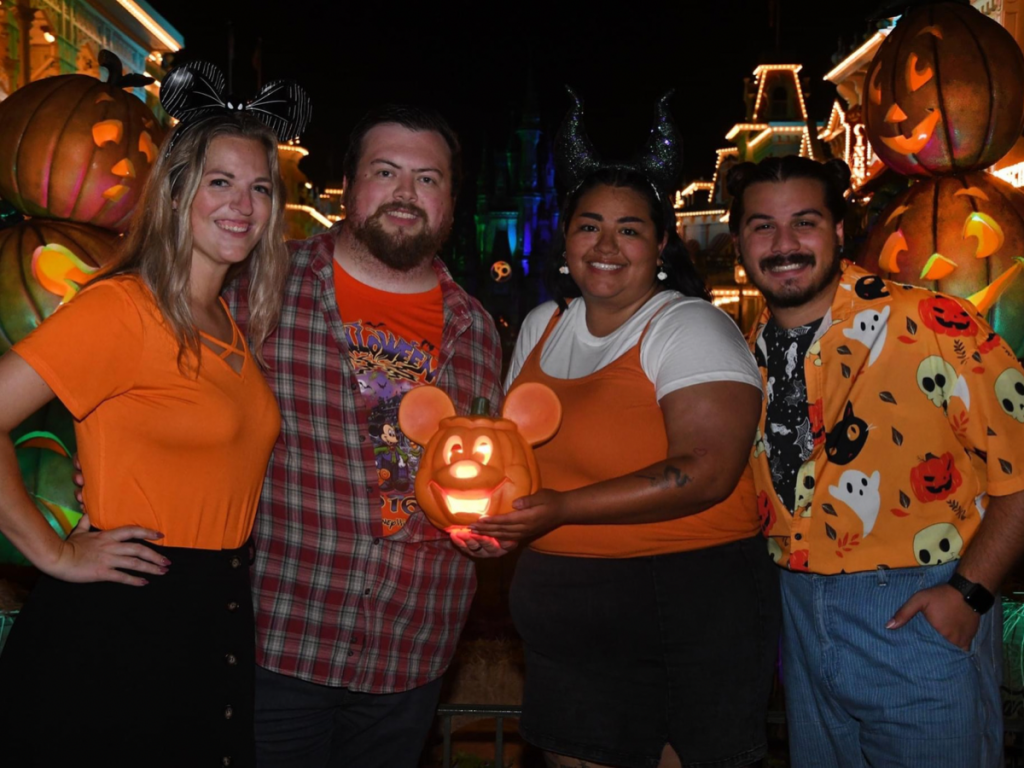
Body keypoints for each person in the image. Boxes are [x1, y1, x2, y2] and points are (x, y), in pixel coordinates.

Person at [0, 61, 308, 766]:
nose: (244, 204)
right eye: (220, 181)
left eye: (260, 187)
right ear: (175, 193)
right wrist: (51, 551)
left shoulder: (228, 323)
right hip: (122, 624)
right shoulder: (124, 309)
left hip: (213, 616)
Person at [471, 90, 779, 768]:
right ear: (566, 235)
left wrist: (558, 510)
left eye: (630, 229)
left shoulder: (688, 327)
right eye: (589, 226)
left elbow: (706, 471)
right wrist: (491, 522)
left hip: (680, 608)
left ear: (660, 241)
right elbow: (510, 456)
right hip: (563, 621)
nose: (606, 245)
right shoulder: (539, 326)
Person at [223, 104, 503, 767]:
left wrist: (493, 528)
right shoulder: (256, 285)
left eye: (428, 179)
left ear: (452, 202)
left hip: (413, 648)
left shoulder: (480, 330)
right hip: (278, 639)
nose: (406, 194)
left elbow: (483, 471)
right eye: (386, 172)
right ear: (347, 187)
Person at [729, 154, 1024, 768]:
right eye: (763, 226)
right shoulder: (740, 353)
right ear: (740, 241)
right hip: (802, 619)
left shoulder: (931, 321)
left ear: (838, 231)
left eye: (804, 223)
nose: (784, 245)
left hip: (919, 606)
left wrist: (968, 595)